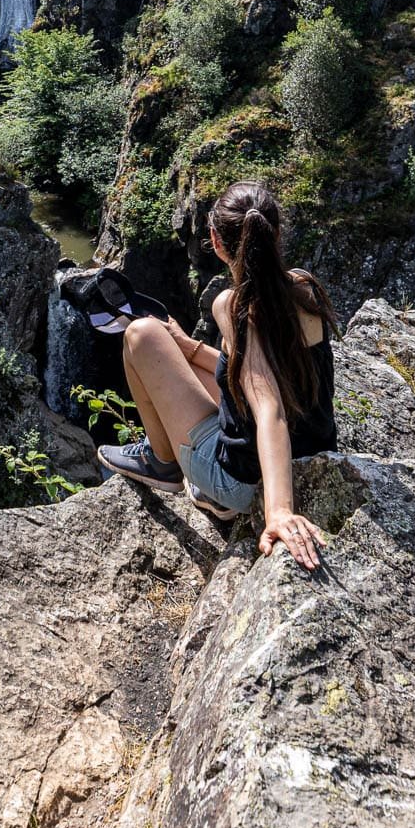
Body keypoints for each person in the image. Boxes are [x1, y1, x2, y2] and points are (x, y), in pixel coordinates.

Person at [97, 180, 339, 572]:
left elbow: (269, 407)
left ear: (215, 239)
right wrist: (186, 346)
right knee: (176, 352)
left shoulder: (232, 304)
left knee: (142, 334)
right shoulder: (303, 286)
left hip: (241, 481)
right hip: (308, 451)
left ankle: (163, 463)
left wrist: (278, 511)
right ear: (276, 234)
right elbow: (252, 373)